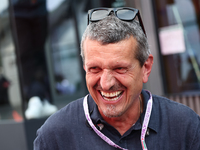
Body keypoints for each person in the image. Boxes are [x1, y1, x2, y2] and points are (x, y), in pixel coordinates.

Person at [34, 7, 200, 149]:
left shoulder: (185, 127)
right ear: (85, 68)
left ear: (146, 68)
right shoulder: (54, 137)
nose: (106, 84)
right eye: (95, 69)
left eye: (120, 68)